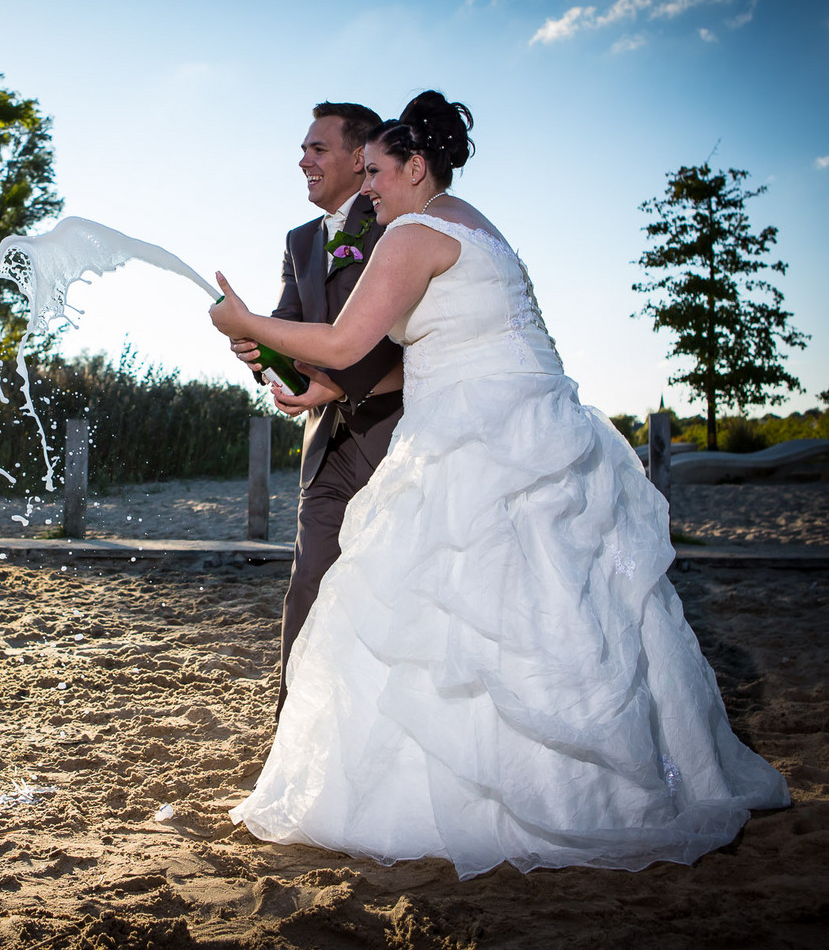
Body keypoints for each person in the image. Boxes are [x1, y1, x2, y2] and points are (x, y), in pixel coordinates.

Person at [208, 92, 789, 878]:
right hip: (533, 424)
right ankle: (601, 784)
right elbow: (449, 337)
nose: (368, 189)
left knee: (453, 606)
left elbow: (348, 338)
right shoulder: (476, 222)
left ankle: (475, 797)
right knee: (549, 605)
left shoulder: (412, 233)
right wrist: (323, 390)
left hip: (471, 436)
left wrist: (245, 323)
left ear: (416, 167)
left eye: (377, 171)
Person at [236, 101, 404, 717]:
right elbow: (288, 328)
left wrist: (336, 378)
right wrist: (256, 346)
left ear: (360, 157)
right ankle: (292, 735)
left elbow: (405, 333)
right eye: (304, 149)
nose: (303, 159)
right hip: (326, 443)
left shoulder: (399, 223)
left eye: (317, 148)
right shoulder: (300, 240)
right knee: (309, 585)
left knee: (395, 589)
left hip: (398, 434)